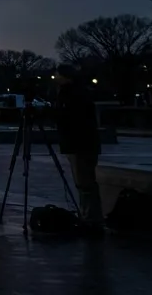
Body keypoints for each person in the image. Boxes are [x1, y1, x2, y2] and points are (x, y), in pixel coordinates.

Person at [54, 64, 105, 235]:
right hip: (83, 143)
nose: (56, 77)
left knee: (85, 183)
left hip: (79, 144)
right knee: (85, 182)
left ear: (66, 76)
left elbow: (69, 118)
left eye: (58, 75)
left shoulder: (72, 94)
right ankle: (89, 216)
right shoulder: (78, 92)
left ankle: (90, 219)